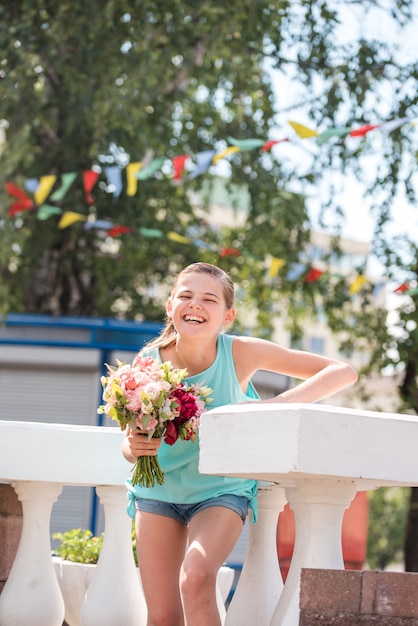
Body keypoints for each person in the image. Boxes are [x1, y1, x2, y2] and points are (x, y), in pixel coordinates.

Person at [122, 262, 358, 626]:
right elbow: (129, 445)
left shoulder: (240, 353)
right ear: (170, 306)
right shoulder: (147, 363)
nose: (195, 304)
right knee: (162, 617)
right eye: (185, 296)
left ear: (227, 315)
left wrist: (277, 405)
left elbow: (343, 372)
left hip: (220, 490)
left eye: (209, 299)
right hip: (157, 490)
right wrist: (134, 448)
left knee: (196, 578)